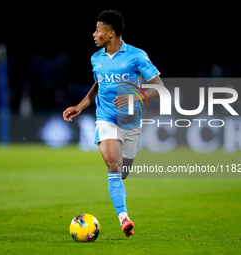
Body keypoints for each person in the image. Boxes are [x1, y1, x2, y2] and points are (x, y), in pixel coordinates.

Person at [63, 10, 164, 238]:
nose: (94, 34)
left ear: (112, 33)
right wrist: (80, 105)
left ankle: (120, 195)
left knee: (123, 171)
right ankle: (124, 218)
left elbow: (160, 88)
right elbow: (98, 85)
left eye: (99, 30)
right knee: (113, 166)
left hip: (131, 122)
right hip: (106, 117)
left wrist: (133, 97)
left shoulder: (136, 56)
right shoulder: (96, 58)